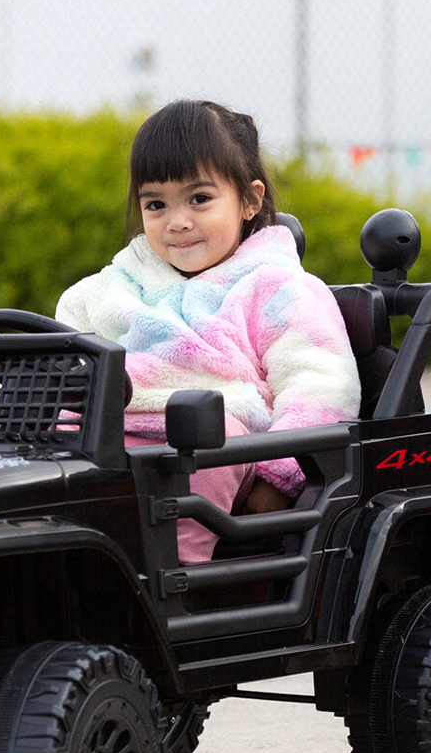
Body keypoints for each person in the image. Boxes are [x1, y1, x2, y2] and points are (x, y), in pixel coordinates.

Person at [55, 99, 360, 563]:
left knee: (217, 441)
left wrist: (279, 476)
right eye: (156, 204)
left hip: (211, 456)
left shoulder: (276, 289)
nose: (177, 221)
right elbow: (56, 358)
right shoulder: (109, 291)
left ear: (250, 201)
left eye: (199, 199)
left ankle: (171, 579)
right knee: (35, 444)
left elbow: (319, 387)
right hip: (110, 441)